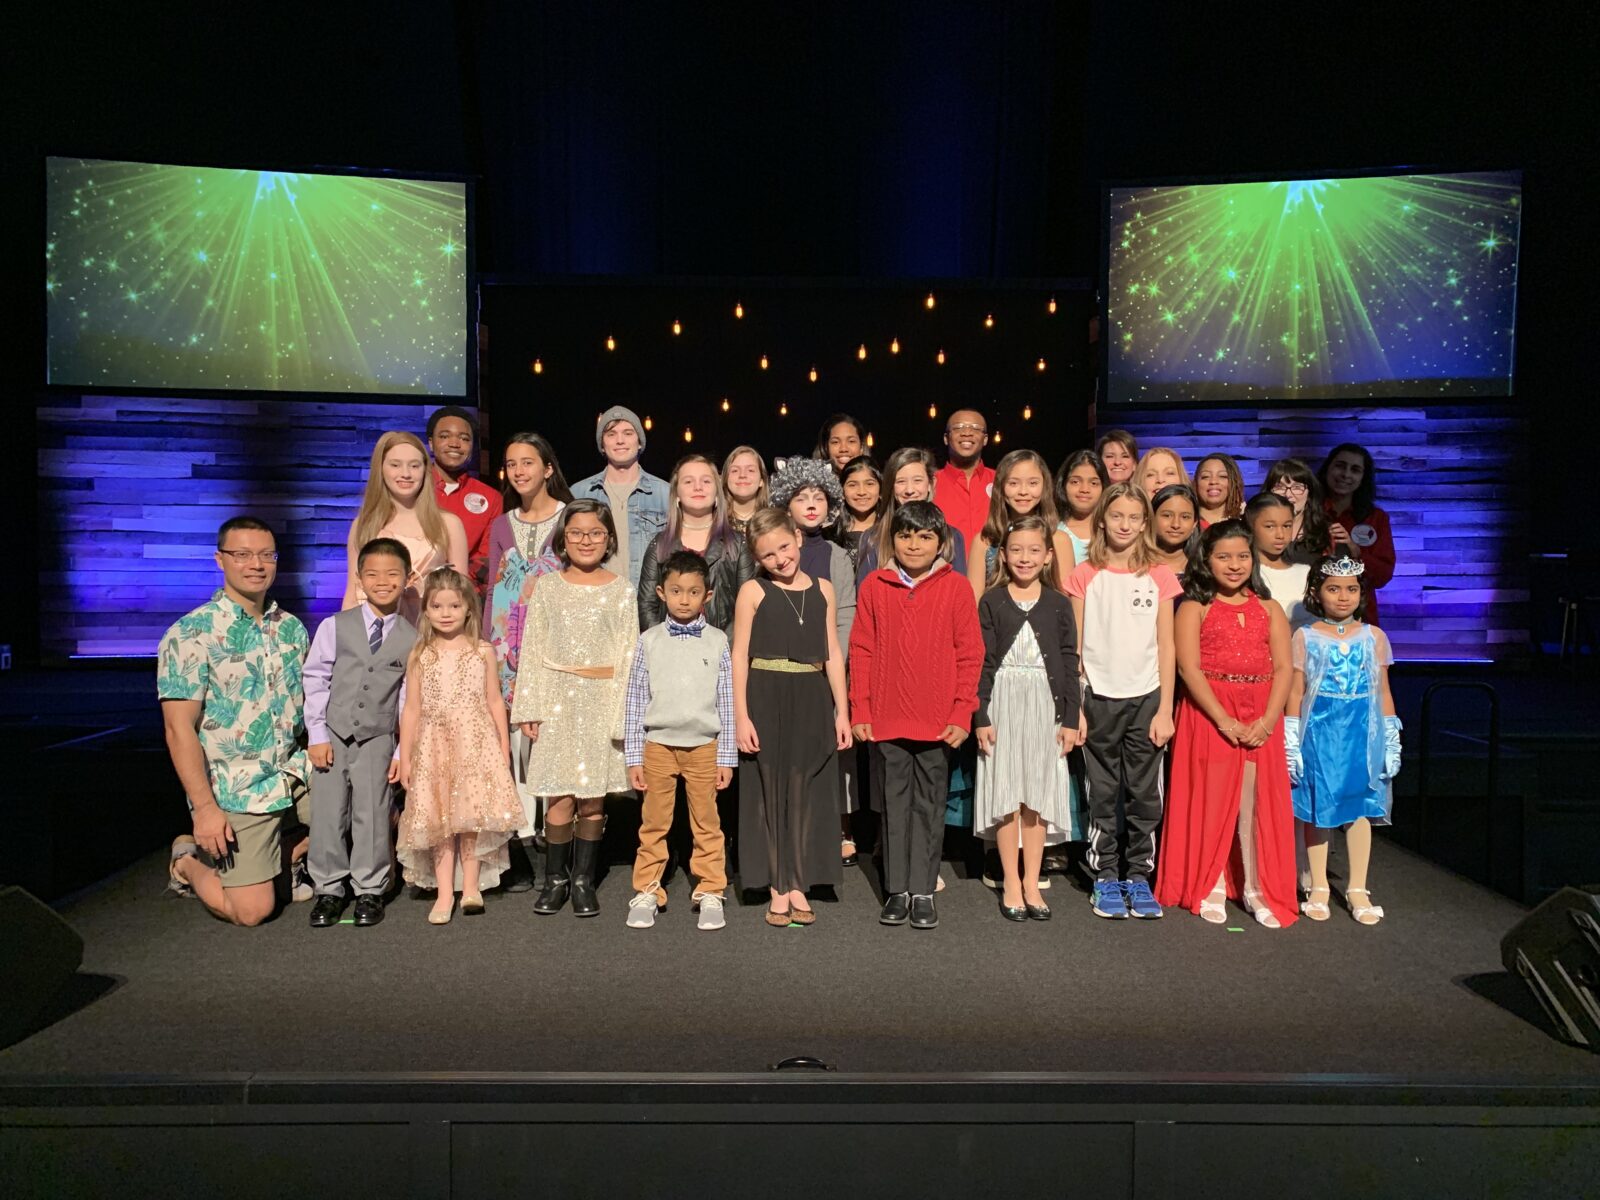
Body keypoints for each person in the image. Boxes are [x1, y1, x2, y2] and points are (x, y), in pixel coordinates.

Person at [161, 516, 311, 927]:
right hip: (239, 789)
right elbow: (178, 730)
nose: (256, 564)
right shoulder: (191, 633)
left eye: (266, 555)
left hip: (296, 773)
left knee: (379, 806)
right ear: (220, 560)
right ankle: (187, 861)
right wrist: (205, 810)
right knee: (253, 911)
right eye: (242, 555)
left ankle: (286, 851)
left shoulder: (292, 630)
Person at [1157, 519, 1298, 929]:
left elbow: (1285, 667)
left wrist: (1267, 721)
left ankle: (1256, 887)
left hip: (1260, 713)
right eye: (1224, 557)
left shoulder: (1269, 609)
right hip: (1210, 714)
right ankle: (1212, 882)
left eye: (1241, 556)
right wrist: (1224, 720)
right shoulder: (1194, 606)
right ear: (1207, 560)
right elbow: (1189, 667)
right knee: (1213, 801)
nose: (1234, 565)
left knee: (1252, 806)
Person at [849, 502, 982, 930]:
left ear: (941, 542)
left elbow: (970, 654)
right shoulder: (874, 585)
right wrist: (861, 708)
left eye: (925, 537)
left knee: (929, 807)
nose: (914, 544)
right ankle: (897, 890)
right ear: (893, 539)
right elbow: (862, 650)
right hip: (887, 719)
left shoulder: (957, 587)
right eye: (905, 536)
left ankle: (923, 889)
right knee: (894, 807)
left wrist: (963, 713)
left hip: (939, 722)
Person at [512, 501, 638, 917]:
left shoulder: (621, 589)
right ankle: (555, 880)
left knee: (592, 797)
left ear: (609, 539)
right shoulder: (547, 587)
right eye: (577, 533)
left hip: (601, 702)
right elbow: (532, 650)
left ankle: (583, 880)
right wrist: (530, 705)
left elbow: (628, 655)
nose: (586, 540)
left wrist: (623, 715)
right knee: (558, 795)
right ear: (564, 540)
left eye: (595, 533)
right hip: (556, 700)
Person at [1064, 483, 1181, 920]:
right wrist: (1074, 706)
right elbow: (1073, 648)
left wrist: (1165, 708)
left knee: (1145, 794)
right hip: (1097, 699)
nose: (1125, 525)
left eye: (1134, 517)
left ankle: (1138, 876)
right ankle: (1106, 876)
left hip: (1147, 699)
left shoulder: (1160, 575)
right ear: (1102, 520)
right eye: (1117, 516)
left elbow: (1166, 645)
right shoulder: (1084, 574)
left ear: (1145, 523)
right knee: (1103, 793)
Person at [733, 507, 852, 927]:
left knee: (806, 790)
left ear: (798, 538)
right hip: (766, 694)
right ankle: (775, 886)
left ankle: (799, 880)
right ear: (758, 559)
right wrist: (741, 717)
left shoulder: (823, 588)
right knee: (769, 790)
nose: (780, 559)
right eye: (768, 555)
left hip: (811, 695)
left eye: (784, 547)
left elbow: (833, 652)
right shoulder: (753, 591)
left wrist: (843, 711)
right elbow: (739, 657)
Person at [395, 568, 523, 924]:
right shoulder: (421, 654)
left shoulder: (483, 651)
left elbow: (495, 701)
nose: (446, 612)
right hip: (433, 747)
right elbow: (412, 709)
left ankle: (470, 887)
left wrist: (503, 745)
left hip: (474, 745)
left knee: (469, 818)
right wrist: (405, 757)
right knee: (439, 821)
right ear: (426, 610)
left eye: (454, 605)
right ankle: (442, 894)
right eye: (437, 606)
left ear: (469, 608)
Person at [973, 515, 1082, 921]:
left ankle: (1033, 880)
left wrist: (1071, 716)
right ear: (1003, 554)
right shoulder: (992, 600)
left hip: (1044, 705)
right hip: (1003, 701)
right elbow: (981, 663)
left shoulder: (1057, 603)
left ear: (1049, 556)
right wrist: (980, 715)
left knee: (1035, 796)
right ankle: (1011, 881)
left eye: (1035, 550)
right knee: (1007, 795)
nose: (1025, 557)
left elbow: (1069, 661)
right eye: (1016, 549)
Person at [303, 537, 417, 929]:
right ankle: (329, 888)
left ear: (408, 578)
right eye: (372, 574)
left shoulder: (410, 636)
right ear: (359, 578)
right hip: (333, 735)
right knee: (328, 814)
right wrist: (316, 733)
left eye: (392, 574)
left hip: (378, 737)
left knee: (373, 812)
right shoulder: (335, 626)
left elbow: (407, 699)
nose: (382, 581)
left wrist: (402, 750)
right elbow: (316, 678)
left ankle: (370, 888)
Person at [622, 551, 736, 932]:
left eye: (692, 592)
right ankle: (648, 890)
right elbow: (636, 697)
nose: (684, 599)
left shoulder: (718, 641)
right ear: (660, 592)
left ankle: (710, 890)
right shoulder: (649, 640)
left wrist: (726, 756)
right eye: (675, 591)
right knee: (654, 822)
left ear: (708, 594)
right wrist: (634, 755)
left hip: (704, 745)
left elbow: (726, 700)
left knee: (707, 822)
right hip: (658, 745)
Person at [1285, 555, 1402, 925]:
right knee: (1320, 809)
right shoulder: (1304, 636)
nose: (1343, 597)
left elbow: (1383, 689)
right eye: (1333, 589)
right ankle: (1318, 884)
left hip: (1361, 734)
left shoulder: (1375, 637)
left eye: (1351, 589)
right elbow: (1296, 689)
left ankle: (1357, 888)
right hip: (1319, 734)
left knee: (1360, 808)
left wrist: (1391, 733)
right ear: (1317, 593)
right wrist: (1291, 734)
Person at [483, 432, 569, 891]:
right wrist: (485, 647)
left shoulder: (568, 517)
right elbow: (495, 588)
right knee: (512, 736)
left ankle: (553, 836)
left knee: (549, 731)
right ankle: (518, 837)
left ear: (547, 468)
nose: (519, 471)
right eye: (511, 464)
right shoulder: (500, 524)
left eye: (528, 462)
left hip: (554, 640)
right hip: (505, 641)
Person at [343, 431, 468, 623]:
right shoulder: (364, 526)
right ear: (381, 469)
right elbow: (352, 592)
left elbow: (461, 594)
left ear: (425, 470)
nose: (406, 474)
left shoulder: (449, 524)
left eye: (414, 466)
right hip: (375, 635)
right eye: (395, 465)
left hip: (431, 633)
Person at [636, 454, 755, 633]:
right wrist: (663, 645)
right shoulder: (659, 545)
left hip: (722, 652)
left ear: (717, 493)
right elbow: (647, 606)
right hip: (670, 652)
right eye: (688, 482)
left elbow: (746, 607)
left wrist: (721, 647)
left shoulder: (737, 545)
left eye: (706, 481)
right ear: (676, 494)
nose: (698, 487)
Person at [767, 456, 857, 664]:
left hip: (824, 665)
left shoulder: (837, 556)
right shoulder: (772, 552)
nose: (811, 506)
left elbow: (844, 618)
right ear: (786, 507)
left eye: (819, 498)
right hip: (779, 665)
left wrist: (834, 663)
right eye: (801, 499)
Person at [571, 405, 669, 590]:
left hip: (647, 603)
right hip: (594, 599)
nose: (620, 440)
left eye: (628, 433)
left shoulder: (665, 494)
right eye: (611, 434)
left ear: (639, 441)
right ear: (602, 444)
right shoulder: (579, 493)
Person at [968, 449, 1073, 599]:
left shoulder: (1059, 540)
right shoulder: (984, 541)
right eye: (1013, 483)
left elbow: (1065, 605)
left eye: (1033, 483)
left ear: (1044, 486)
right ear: (1000, 487)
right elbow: (974, 605)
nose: (1023, 491)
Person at [427, 405, 503, 597]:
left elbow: (486, 559)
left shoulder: (490, 498)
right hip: (411, 596)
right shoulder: (413, 487)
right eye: (445, 436)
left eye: (464, 438)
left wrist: (453, 589)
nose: (455, 443)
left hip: (463, 599)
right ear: (431, 443)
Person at [1318, 443, 1397, 627]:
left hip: (1361, 618)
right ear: (1327, 468)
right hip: (1311, 615)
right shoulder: (1307, 512)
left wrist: (1356, 552)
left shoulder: (1376, 518)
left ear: (1363, 478)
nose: (1346, 474)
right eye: (1340, 466)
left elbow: (1383, 576)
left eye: (1355, 470)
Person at [864, 447, 968, 577]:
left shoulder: (952, 537)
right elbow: (865, 593)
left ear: (931, 484)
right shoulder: (872, 539)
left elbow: (959, 590)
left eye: (917, 480)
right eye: (901, 481)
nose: (909, 490)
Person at [1246, 491, 1312, 631]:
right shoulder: (1243, 574)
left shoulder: (1306, 572)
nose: (1280, 535)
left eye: (1287, 526)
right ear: (1251, 527)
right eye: (1270, 526)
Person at [933, 409, 995, 549]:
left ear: (985, 439)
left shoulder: (1001, 481)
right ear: (946, 438)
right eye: (958, 427)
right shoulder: (930, 484)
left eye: (975, 428)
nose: (967, 433)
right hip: (946, 569)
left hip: (995, 569)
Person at [1262, 457, 1330, 565]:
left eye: (1297, 487)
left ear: (1309, 494)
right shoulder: (1255, 530)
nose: (1288, 495)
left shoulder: (1325, 532)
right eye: (1280, 487)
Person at [1055, 449, 1107, 567]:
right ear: (1063, 485)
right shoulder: (1054, 531)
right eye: (1075, 482)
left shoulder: (1113, 531)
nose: (1084, 489)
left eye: (1093, 483)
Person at [838, 454, 885, 574]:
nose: (862, 492)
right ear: (842, 491)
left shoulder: (889, 531)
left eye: (869, 484)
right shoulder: (831, 535)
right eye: (852, 485)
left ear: (880, 490)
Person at [1150, 483, 1201, 580]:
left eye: (1185, 517)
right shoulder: (1134, 565)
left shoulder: (1203, 569)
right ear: (1152, 517)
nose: (1176, 524)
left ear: (1194, 523)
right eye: (1167, 515)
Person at [721, 445, 769, 536]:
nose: (742, 475)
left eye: (750, 470)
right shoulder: (713, 520)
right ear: (726, 479)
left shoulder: (775, 521)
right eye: (735, 470)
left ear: (761, 480)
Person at [1194, 453, 1245, 526]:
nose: (1213, 482)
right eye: (1206, 476)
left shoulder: (1246, 519)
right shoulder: (1187, 519)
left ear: (1234, 481)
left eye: (1222, 476)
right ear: (1196, 482)